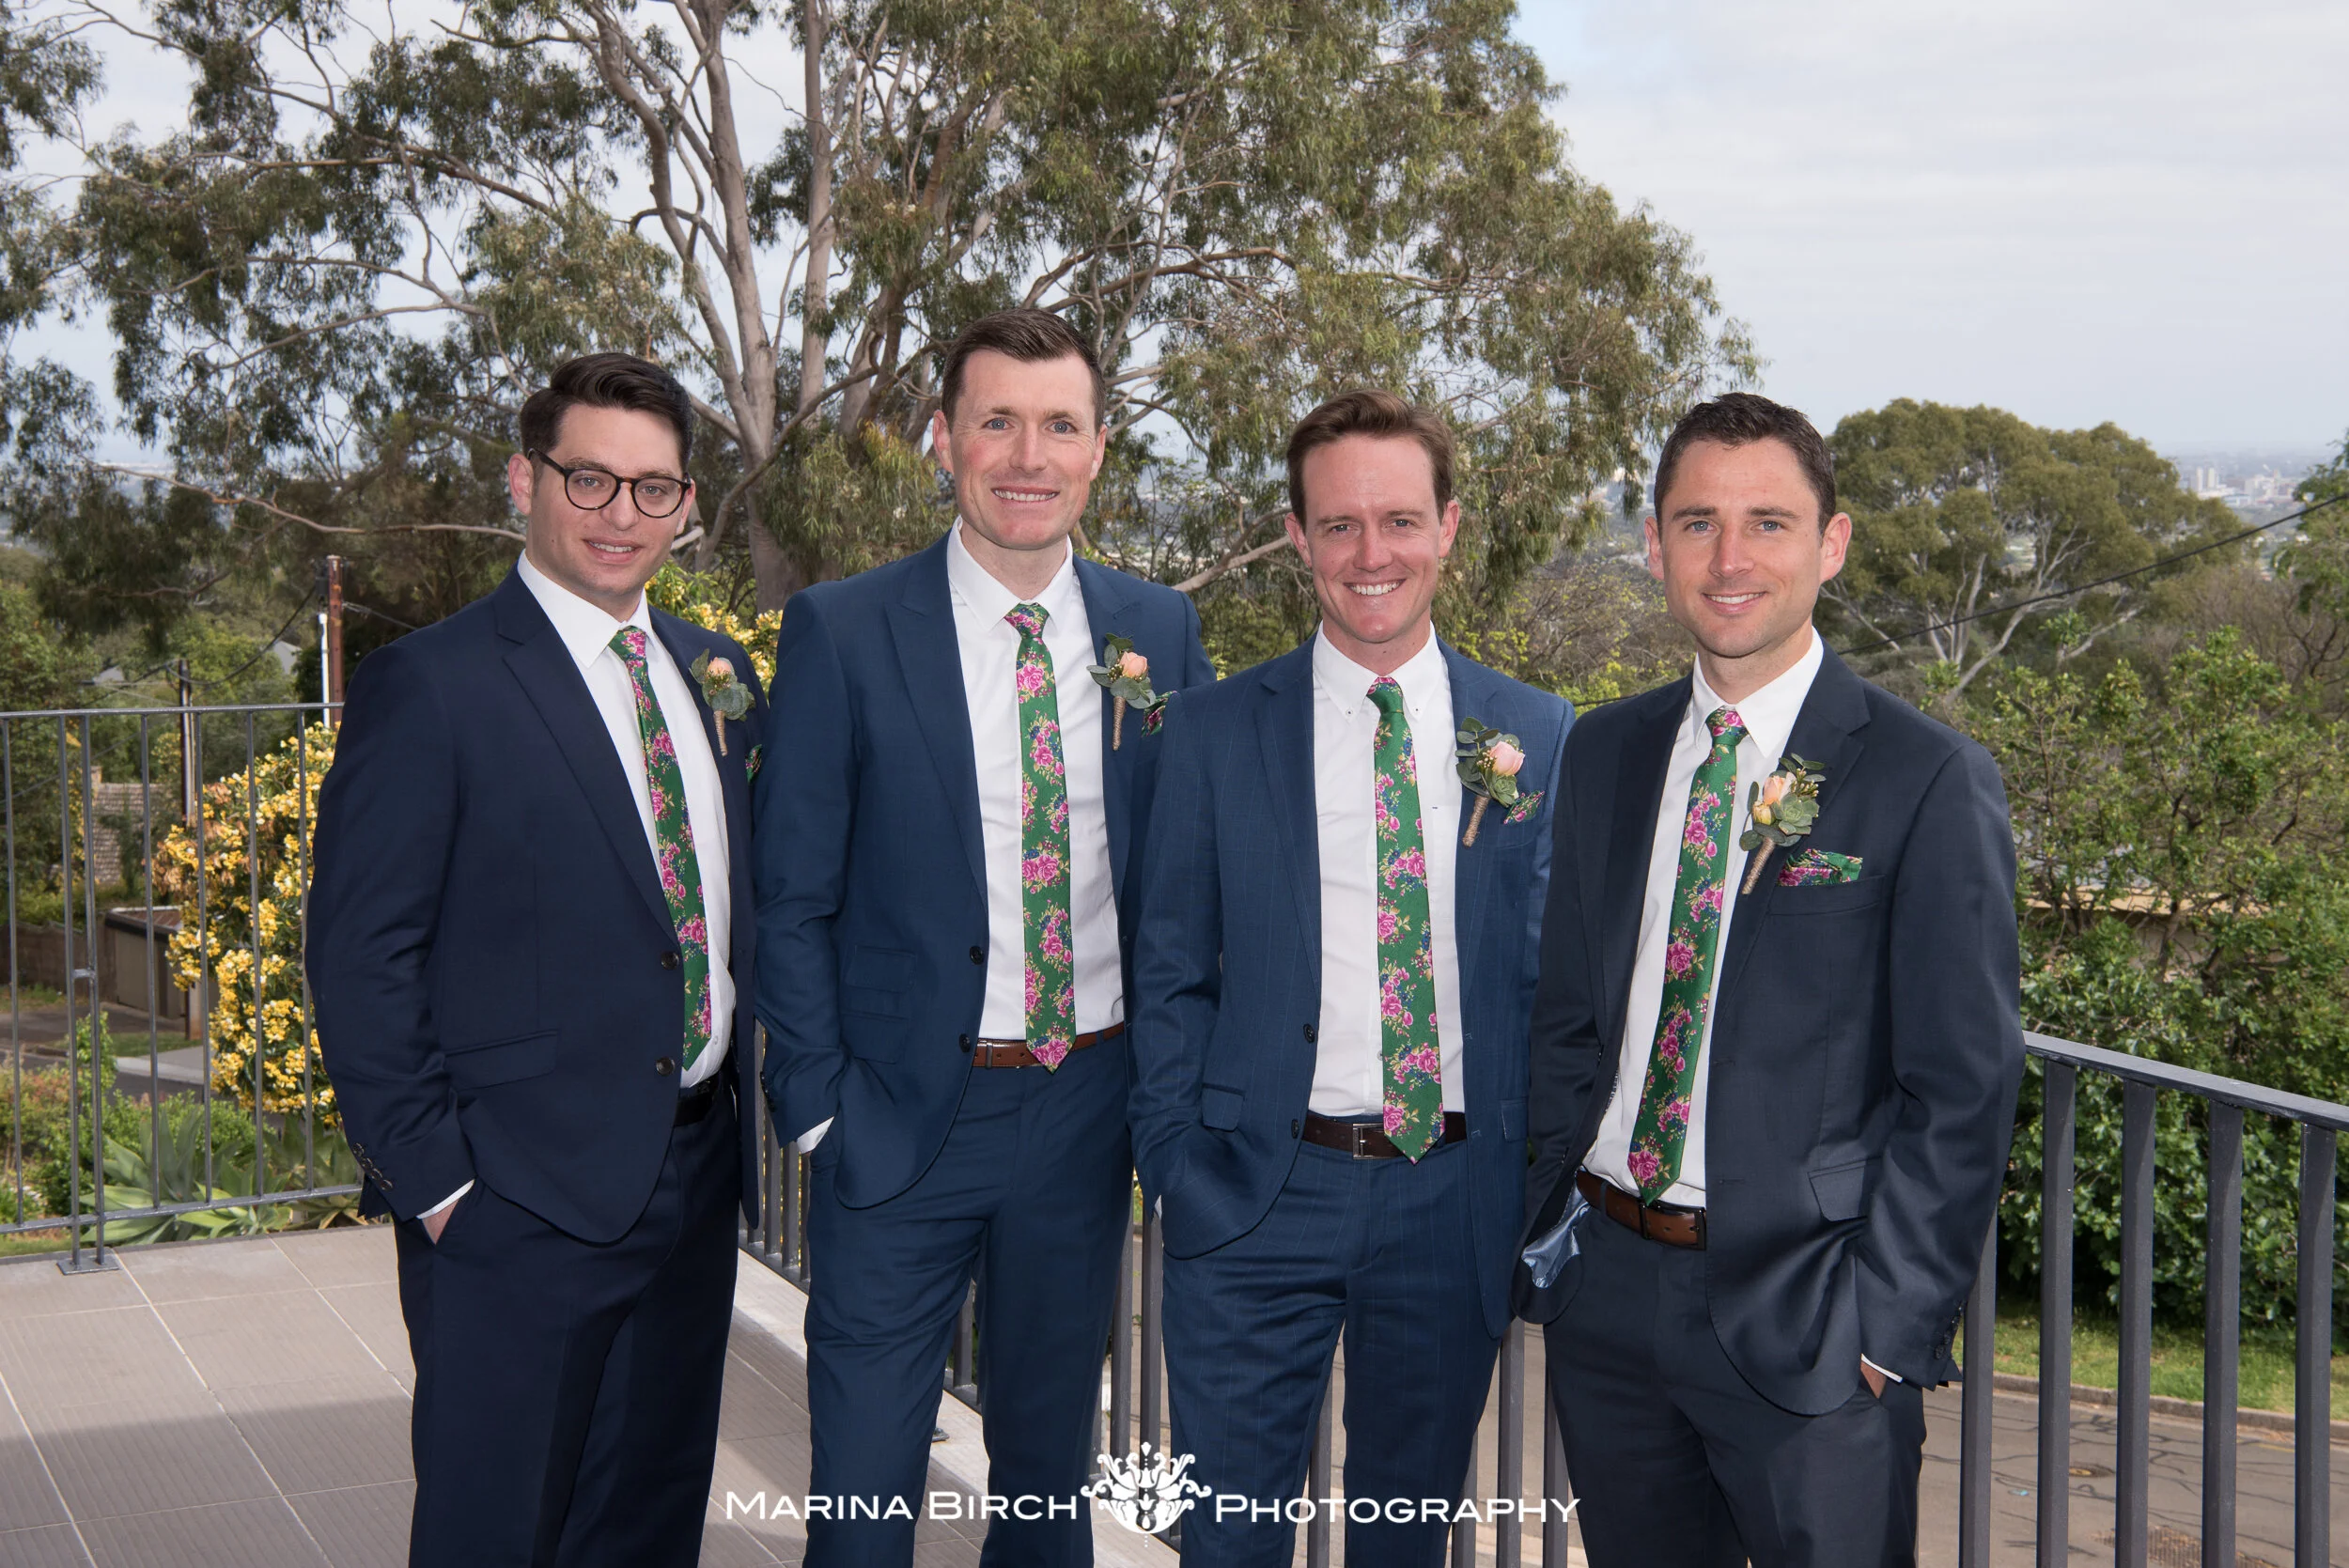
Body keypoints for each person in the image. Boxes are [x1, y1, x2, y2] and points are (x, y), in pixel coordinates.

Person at [1517, 392, 2025, 1567]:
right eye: (1696, 523)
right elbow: (1567, 1015)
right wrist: (1543, 1231)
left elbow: (1963, 1081)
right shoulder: (1603, 749)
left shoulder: (1926, 778)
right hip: (1607, 1288)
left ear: (1830, 545)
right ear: (1653, 546)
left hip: (1813, 1318)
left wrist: (1885, 1323)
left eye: (1768, 522)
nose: (1729, 558)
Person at [754, 307, 1213, 1566]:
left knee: (1048, 1493)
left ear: (1100, 448)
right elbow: (789, 891)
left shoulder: (1156, 632)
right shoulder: (845, 631)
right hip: (899, 1119)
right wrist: (820, 1106)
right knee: (860, 1497)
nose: (1028, 453)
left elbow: (1188, 882)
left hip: (1083, 1113)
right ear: (945, 439)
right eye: (997, 421)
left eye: (1059, 424)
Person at [308, 352, 765, 1567]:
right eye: (590, 479)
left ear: (685, 505)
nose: (622, 514)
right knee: (497, 1530)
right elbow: (360, 955)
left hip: (694, 1174)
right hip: (513, 1206)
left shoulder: (717, 672)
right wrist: (443, 1184)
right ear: (526, 480)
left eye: (653, 488)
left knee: (646, 1521)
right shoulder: (433, 684)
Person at [1128, 390, 1570, 1566]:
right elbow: (1167, 964)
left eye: (1399, 521)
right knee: (1228, 1539)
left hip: (1450, 1199)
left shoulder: (1538, 734)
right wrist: (1176, 1161)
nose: (1371, 555)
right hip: (1252, 1195)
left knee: (1403, 1540)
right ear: (1296, 536)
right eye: (1338, 525)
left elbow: (1556, 981)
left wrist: (1525, 1185)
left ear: (1449, 527)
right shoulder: (1214, 730)